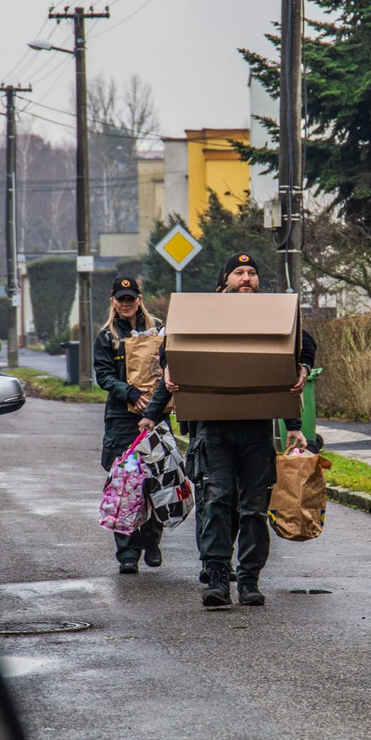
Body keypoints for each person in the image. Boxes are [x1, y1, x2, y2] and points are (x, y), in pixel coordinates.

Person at [141, 252, 313, 608]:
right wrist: (165, 371)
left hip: (256, 428)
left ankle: (249, 580)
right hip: (213, 428)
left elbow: (301, 343)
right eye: (239, 272)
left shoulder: (272, 313)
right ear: (225, 281)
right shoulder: (204, 311)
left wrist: (304, 372)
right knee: (217, 500)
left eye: (252, 272)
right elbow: (172, 343)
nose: (247, 278)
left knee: (253, 507)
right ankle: (217, 576)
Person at [93, 276, 165, 575]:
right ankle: (127, 552)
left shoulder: (159, 329)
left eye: (131, 298)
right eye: (121, 299)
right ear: (113, 301)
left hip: (156, 414)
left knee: (156, 481)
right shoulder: (106, 336)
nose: (126, 303)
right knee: (125, 485)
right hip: (123, 420)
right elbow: (104, 375)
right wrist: (130, 393)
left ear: (139, 299)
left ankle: (151, 541)